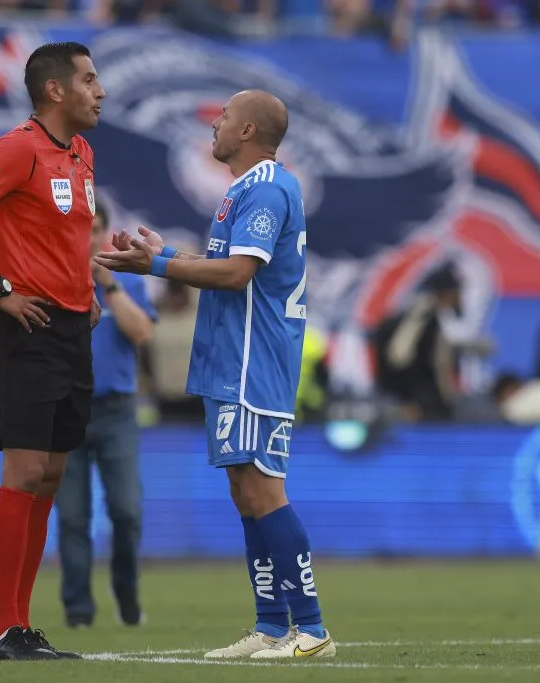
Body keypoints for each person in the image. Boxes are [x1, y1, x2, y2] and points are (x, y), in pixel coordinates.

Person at [95, 89, 336, 659]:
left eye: (224, 117)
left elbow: (235, 275)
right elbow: (226, 264)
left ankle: (313, 628)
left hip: (256, 358)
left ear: (248, 131)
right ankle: (272, 626)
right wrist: (168, 250)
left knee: (264, 490)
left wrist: (156, 264)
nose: (215, 125)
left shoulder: (269, 187)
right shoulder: (245, 190)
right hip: (231, 358)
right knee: (244, 492)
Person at [0, 41, 105, 661]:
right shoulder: (18, 147)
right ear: (55, 91)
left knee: (51, 475)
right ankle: (4, 628)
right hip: (27, 327)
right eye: (90, 80)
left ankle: (22, 625)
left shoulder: (83, 152)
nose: (101, 90)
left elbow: (65, 235)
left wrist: (86, 286)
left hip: (71, 328)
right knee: (23, 472)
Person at [56, 201, 156, 629]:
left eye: (96, 229)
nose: (91, 238)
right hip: (67, 410)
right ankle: (79, 610)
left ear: (104, 231)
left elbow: (143, 333)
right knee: (73, 517)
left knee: (127, 510)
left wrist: (109, 285)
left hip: (116, 412)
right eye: (83, 229)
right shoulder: (57, 280)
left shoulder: (126, 284)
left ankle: (127, 597)